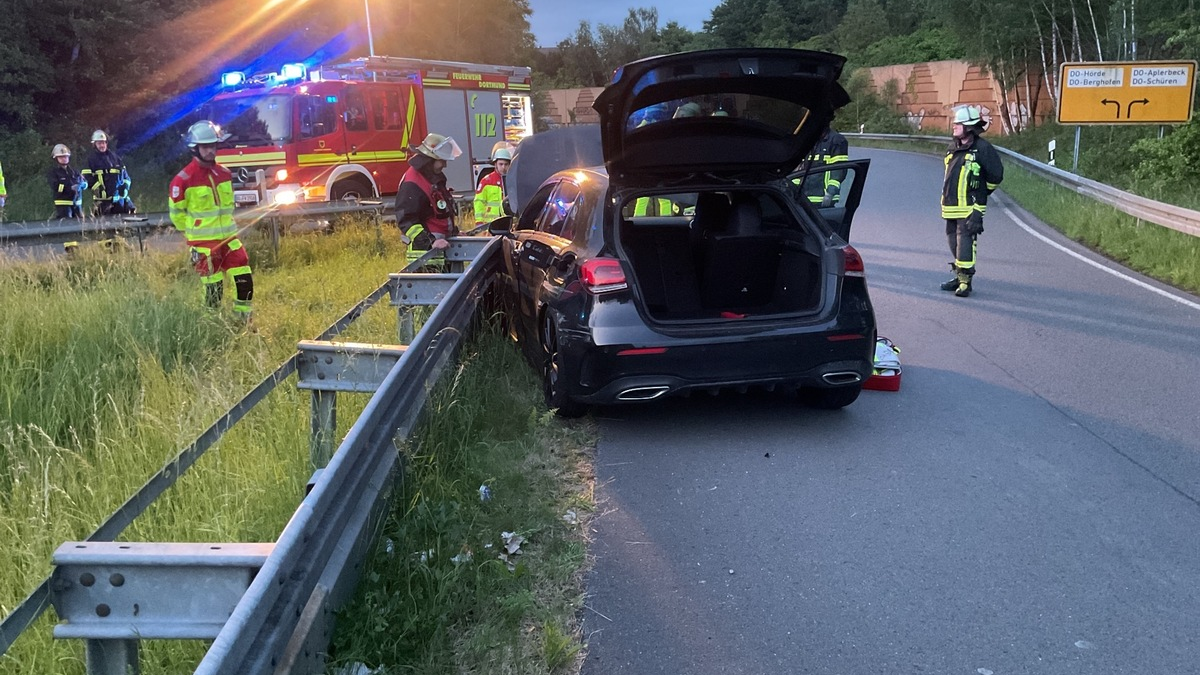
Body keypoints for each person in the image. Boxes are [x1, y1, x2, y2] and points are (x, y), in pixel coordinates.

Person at [169, 120, 254, 320]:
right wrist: (194, 236)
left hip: (229, 238)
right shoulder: (182, 179)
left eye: (213, 146)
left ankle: (242, 321)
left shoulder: (224, 173)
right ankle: (211, 324)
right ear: (194, 148)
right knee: (213, 290)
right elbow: (177, 214)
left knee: (244, 279)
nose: (211, 151)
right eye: (206, 147)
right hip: (204, 245)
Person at [939, 104, 1003, 297]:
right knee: (953, 243)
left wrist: (980, 198)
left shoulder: (983, 149)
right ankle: (959, 276)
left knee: (965, 244)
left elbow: (995, 176)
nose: (954, 126)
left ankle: (966, 281)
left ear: (969, 127)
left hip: (970, 207)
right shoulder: (953, 147)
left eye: (958, 123)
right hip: (950, 206)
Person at [395, 132, 461, 266]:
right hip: (426, 258)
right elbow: (407, 220)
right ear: (430, 159)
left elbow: (438, 213)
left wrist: (455, 233)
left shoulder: (432, 177)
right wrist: (430, 242)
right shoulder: (412, 182)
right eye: (442, 160)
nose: (445, 165)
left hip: (441, 252)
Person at [83, 130, 135, 216]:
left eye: (103, 143)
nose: (102, 145)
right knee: (103, 226)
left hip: (119, 200)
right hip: (103, 201)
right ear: (94, 144)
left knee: (122, 225)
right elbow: (86, 178)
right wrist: (99, 189)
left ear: (106, 143)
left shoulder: (115, 158)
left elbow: (126, 176)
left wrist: (125, 188)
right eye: (99, 143)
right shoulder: (91, 160)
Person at [798, 125, 849, 207]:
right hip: (802, 199)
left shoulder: (836, 141)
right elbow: (799, 169)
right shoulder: (808, 141)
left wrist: (830, 193)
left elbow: (839, 170)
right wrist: (792, 190)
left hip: (824, 200)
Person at [473, 142, 513, 229]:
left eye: (506, 164)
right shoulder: (486, 181)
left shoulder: (512, 181)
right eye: (501, 164)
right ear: (495, 164)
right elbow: (479, 202)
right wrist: (479, 223)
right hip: (491, 225)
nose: (503, 167)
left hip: (508, 224)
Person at [47, 144, 83, 219]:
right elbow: (55, 186)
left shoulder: (74, 171)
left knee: (80, 226)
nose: (64, 159)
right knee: (67, 225)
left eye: (66, 156)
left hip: (77, 204)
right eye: (61, 157)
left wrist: (82, 185)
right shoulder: (53, 172)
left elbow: (83, 181)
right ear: (56, 158)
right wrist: (70, 187)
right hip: (63, 204)